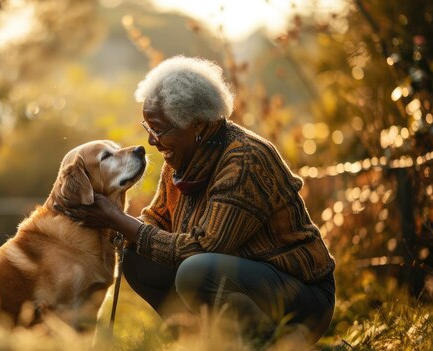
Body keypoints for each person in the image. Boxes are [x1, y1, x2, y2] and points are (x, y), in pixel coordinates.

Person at [65, 56, 335, 345]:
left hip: (300, 297)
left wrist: (119, 219)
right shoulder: (183, 158)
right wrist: (116, 227)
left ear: (196, 125)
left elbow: (202, 247)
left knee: (196, 271)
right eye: (148, 127)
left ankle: (270, 343)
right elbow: (157, 221)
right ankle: (200, 341)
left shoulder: (244, 160)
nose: (152, 141)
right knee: (138, 258)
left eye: (159, 130)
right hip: (238, 280)